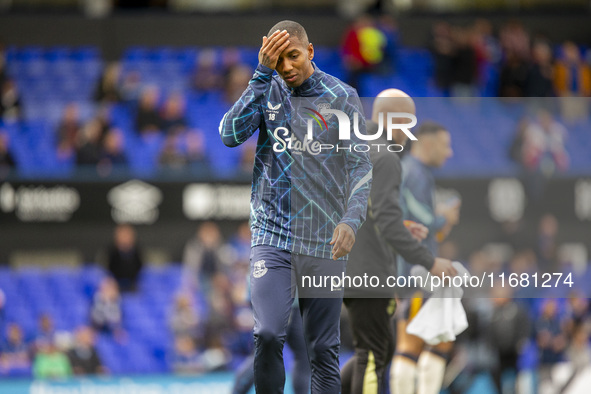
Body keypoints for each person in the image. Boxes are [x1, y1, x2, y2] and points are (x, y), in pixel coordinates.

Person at [219, 20, 373, 393]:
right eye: (278, 58)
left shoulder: (342, 97)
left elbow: (361, 166)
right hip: (272, 237)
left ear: (310, 52)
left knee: (324, 350)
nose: (286, 66)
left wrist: (351, 221)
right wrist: (259, 74)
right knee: (268, 334)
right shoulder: (266, 89)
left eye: (293, 56)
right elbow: (228, 135)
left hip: (324, 240)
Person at [341, 89, 457, 394]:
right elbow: (387, 222)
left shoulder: (352, 147)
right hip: (368, 270)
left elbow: (359, 210)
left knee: (381, 346)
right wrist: (430, 261)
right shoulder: (387, 158)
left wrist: (400, 225)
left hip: (341, 266)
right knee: (374, 353)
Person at [392, 121, 459, 394]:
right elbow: (420, 220)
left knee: (431, 340)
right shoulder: (414, 173)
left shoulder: (414, 172)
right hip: (415, 274)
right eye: (445, 145)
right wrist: (445, 216)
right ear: (428, 144)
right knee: (416, 343)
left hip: (413, 272)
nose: (450, 153)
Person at [107, 224, 144, 292]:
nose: (125, 238)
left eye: (127, 235)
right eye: (122, 235)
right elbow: (109, 272)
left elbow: (140, 271)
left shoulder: (138, 253)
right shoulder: (110, 254)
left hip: (134, 286)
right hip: (115, 286)